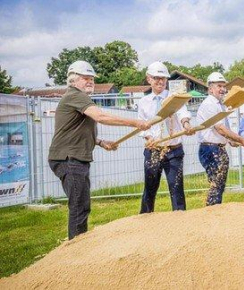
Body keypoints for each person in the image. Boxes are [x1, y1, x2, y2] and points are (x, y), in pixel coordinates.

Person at [48, 61, 150, 240]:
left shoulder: (76, 97)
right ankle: (76, 249)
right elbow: (100, 116)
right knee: (79, 206)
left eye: (92, 79)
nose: (90, 82)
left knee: (81, 204)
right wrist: (135, 122)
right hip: (69, 159)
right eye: (85, 78)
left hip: (72, 157)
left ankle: (79, 243)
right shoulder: (76, 95)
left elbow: (74, 130)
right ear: (73, 80)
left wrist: (101, 142)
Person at [138, 61, 195, 213]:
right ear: (149, 79)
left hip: (173, 151)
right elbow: (143, 126)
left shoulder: (175, 98)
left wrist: (186, 124)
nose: (160, 81)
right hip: (153, 151)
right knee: (149, 189)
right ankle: (144, 220)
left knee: (176, 188)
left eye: (163, 78)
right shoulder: (143, 102)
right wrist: (148, 138)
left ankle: (179, 219)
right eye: (156, 78)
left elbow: (183, 113)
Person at [197, 72, 244, 206]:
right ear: (210, 88)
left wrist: (231, 141)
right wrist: (241, 140)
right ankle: (212, 211)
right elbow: (221, 129)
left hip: (217, 147)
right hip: (210, 148)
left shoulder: (220, 104)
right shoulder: (210, 104)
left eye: (224, 86)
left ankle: (214, 209)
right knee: (217, 183)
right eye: (219, 86)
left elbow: (223, 131)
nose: (223, 89)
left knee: (218, 183)